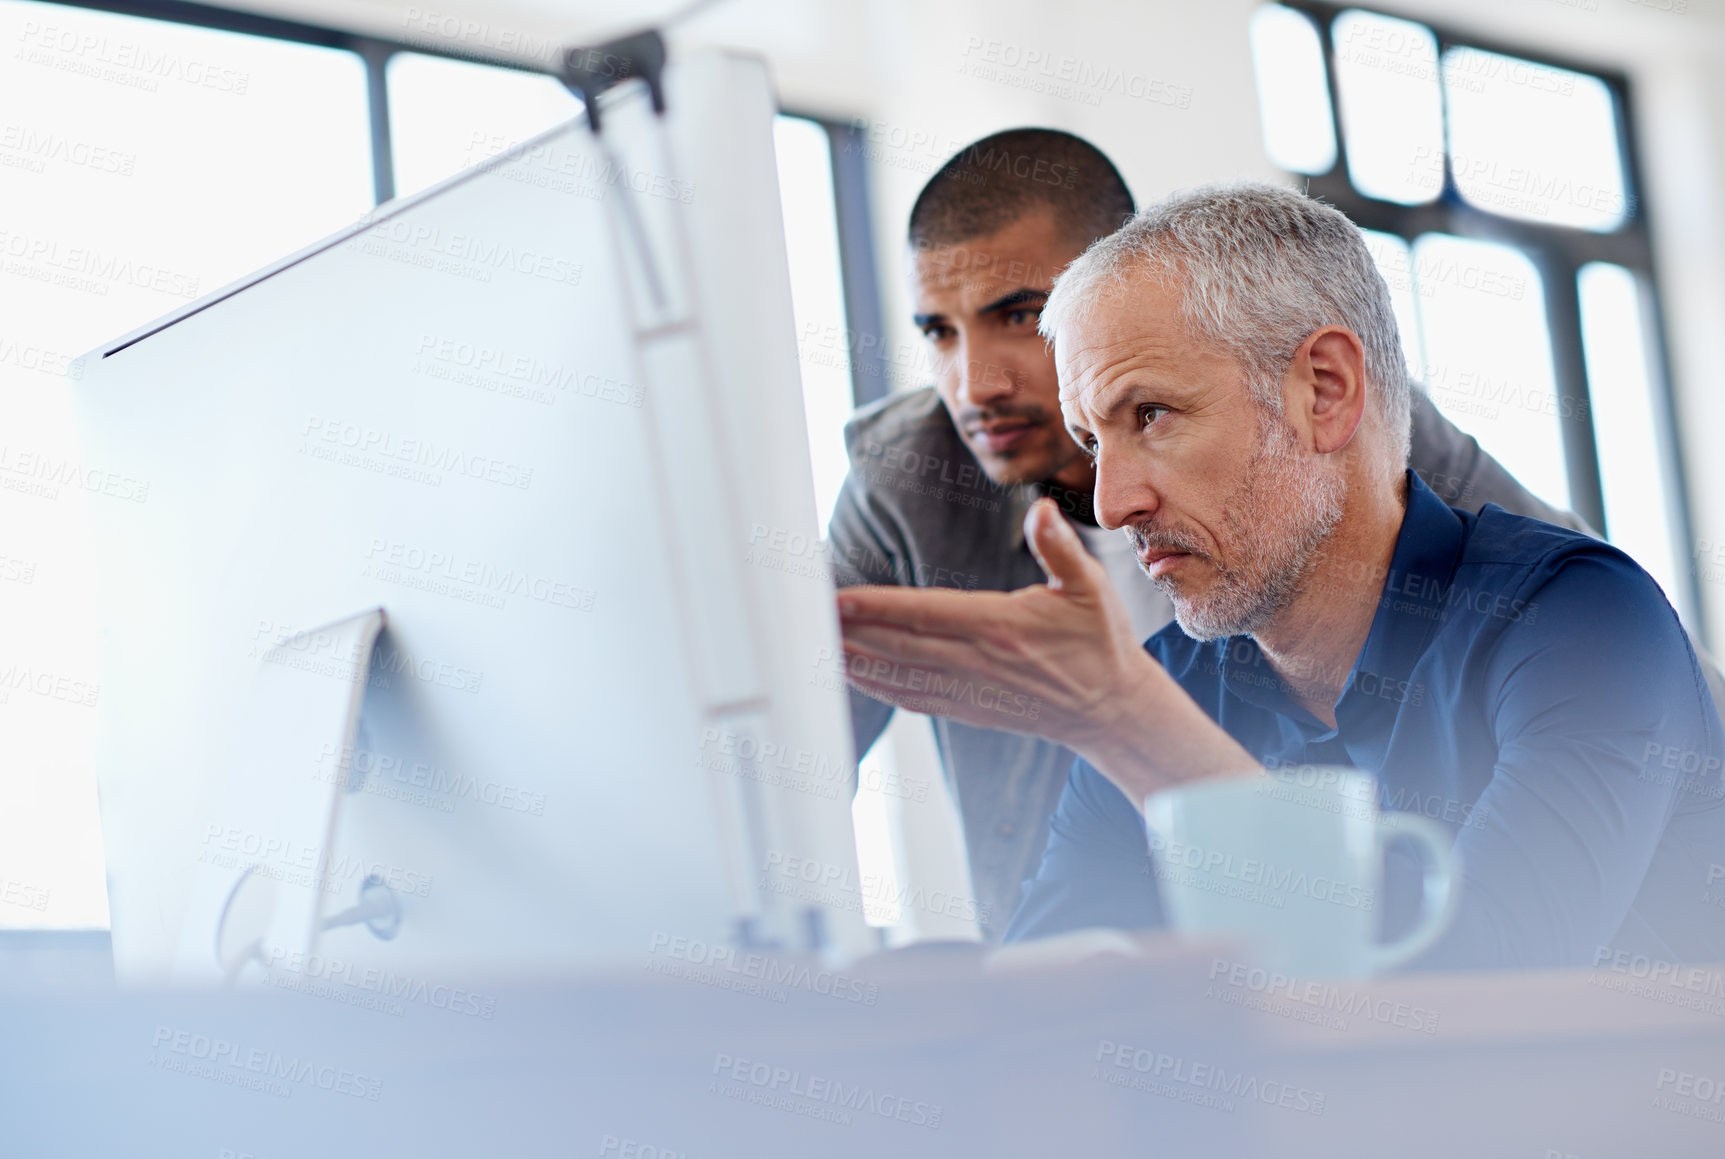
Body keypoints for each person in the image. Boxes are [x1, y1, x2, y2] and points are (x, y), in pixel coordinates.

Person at [836, 182, 1725, 968]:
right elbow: (1043, 1028)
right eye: (1092, 441)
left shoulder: (1587, 625)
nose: (1109, 503)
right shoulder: (1164, 682)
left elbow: (1465, 997)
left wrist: (1127, 728)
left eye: (1151, 414)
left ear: (1325, 391)